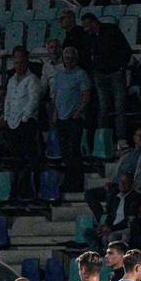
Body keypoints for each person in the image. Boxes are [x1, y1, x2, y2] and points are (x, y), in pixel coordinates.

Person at [79, 12, 133, 144]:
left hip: (115, 73)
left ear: (93, 22)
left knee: (120, 107)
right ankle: (102, 140)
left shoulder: (111, 30)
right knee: (103, 108)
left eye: (87, 26)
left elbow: (126, 49)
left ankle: (121, 138)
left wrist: (121, 66)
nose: (85, 30)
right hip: (99, 75)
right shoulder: (89, 38)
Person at [51, 46, 92, 191]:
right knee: (65, 153)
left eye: (71, 58)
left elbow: (86, 96)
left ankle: (77, 182)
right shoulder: (59, 75)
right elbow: (56, 95)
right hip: (61, 118)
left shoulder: (81, 74)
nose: (68, 61)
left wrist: (78, 112)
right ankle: (68, 182)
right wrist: (55, 113)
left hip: (74, 119)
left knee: (73, 151)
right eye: (66, 58)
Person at [5, 46, 42, 168]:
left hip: (26, 122)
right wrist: (6, 116)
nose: (18, 65)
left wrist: (25, 117)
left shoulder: (32, 79)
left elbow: (34, 100)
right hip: (12, 122)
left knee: (30, 155)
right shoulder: (11, 80)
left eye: (21, 62)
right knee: (16, 157)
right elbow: (8, 99)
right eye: (16, 62)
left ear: (26, 61)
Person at [90, 172, 141, 248]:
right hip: (111, 227)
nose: (122, 184)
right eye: (121, 181)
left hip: (123, 228)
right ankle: (100, 252)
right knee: (88, 232)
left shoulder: (135, 198)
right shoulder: (115, 198)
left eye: (125, 182)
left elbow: (129, 219)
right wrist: (105, 225)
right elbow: (110, 215)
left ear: (131, 183)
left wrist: (111, 228)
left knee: (110, 237)